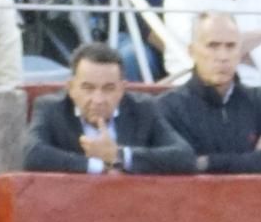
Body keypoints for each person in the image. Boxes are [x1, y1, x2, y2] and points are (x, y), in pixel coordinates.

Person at [24, 42, 196, 175]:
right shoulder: (51, 108)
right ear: (71, 87)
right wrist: (99, 165)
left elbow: (184, 156)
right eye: (88, 88)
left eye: (108, 88)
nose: (98, 99)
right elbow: (32, 154)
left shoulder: (143, 109)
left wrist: (118, 155)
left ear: (122, 89)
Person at [159, 14, 261, 173]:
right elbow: (182, 164)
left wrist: (208, 162)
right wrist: (252, 157)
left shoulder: (260, 101)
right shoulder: (168, 107)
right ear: (192, 52)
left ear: (240, 52)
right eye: (213, 45)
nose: (223, 56)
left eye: (231, 46)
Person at [162, 0, 261, 87]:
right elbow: (196, 45)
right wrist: (260, 38)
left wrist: (225, 45)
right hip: (201, 94)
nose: (224, 53)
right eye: (220, 45)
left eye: (230, 46)